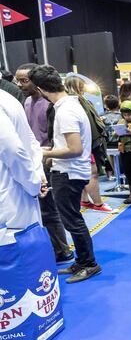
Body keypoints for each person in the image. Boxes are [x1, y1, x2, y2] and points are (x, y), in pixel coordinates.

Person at [31, 65, 101, 283]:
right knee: (71, 219)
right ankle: (82, 261)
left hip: (69, 173)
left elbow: (75, 148)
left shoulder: (66, 110)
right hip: (68, 171)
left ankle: (89, 264)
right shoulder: (69, 105)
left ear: (41, 89)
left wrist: (45, 152)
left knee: (72, 221)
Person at [16, 63, 73, 265]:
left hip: (48, 160)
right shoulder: (25, 103)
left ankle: (62, 250)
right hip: (33, 160)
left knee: (50, 208)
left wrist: (48, 156)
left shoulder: (51, 105)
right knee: (39, 209)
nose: (20, 85)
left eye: (24, 80)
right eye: (18, 80)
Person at [0, 89, 46, 246]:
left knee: (17, 255)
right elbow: (30, 140)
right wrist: (37, 174)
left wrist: (33, 183)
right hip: (19, 190)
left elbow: (13, 149)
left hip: (11, 197)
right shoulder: (8, 98)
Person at [64, 75, 115, 214]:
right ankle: (97, 203)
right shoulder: (78, 102)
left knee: (83, 173)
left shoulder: (71, 102)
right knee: (92, 174)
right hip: (87, 144)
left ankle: (85, 200)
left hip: (81, 143)